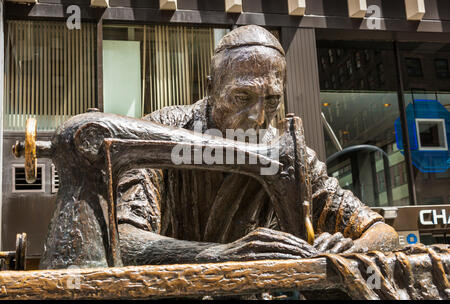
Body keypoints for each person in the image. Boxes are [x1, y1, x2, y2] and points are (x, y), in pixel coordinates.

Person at [116, 25, 399, 266]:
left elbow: (382, 232)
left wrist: (350, 251)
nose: (259, 117)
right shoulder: (161, 131)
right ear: (211, 89)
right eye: (242, 97)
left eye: (272, 100)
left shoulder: (288, 155)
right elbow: (125, 241)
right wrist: (223, 255)